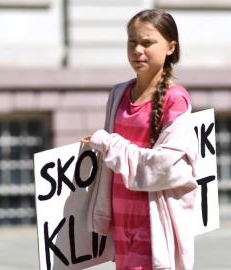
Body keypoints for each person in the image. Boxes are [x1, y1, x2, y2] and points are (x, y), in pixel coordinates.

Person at [82, 9, 199, 270]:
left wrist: (109, 143)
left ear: (170, 47)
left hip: (155, 223)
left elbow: (164, 166)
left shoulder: (175, 99)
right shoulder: (118, 94)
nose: (137, 50)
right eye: (132, 42)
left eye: (147, 43)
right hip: (122, 221)